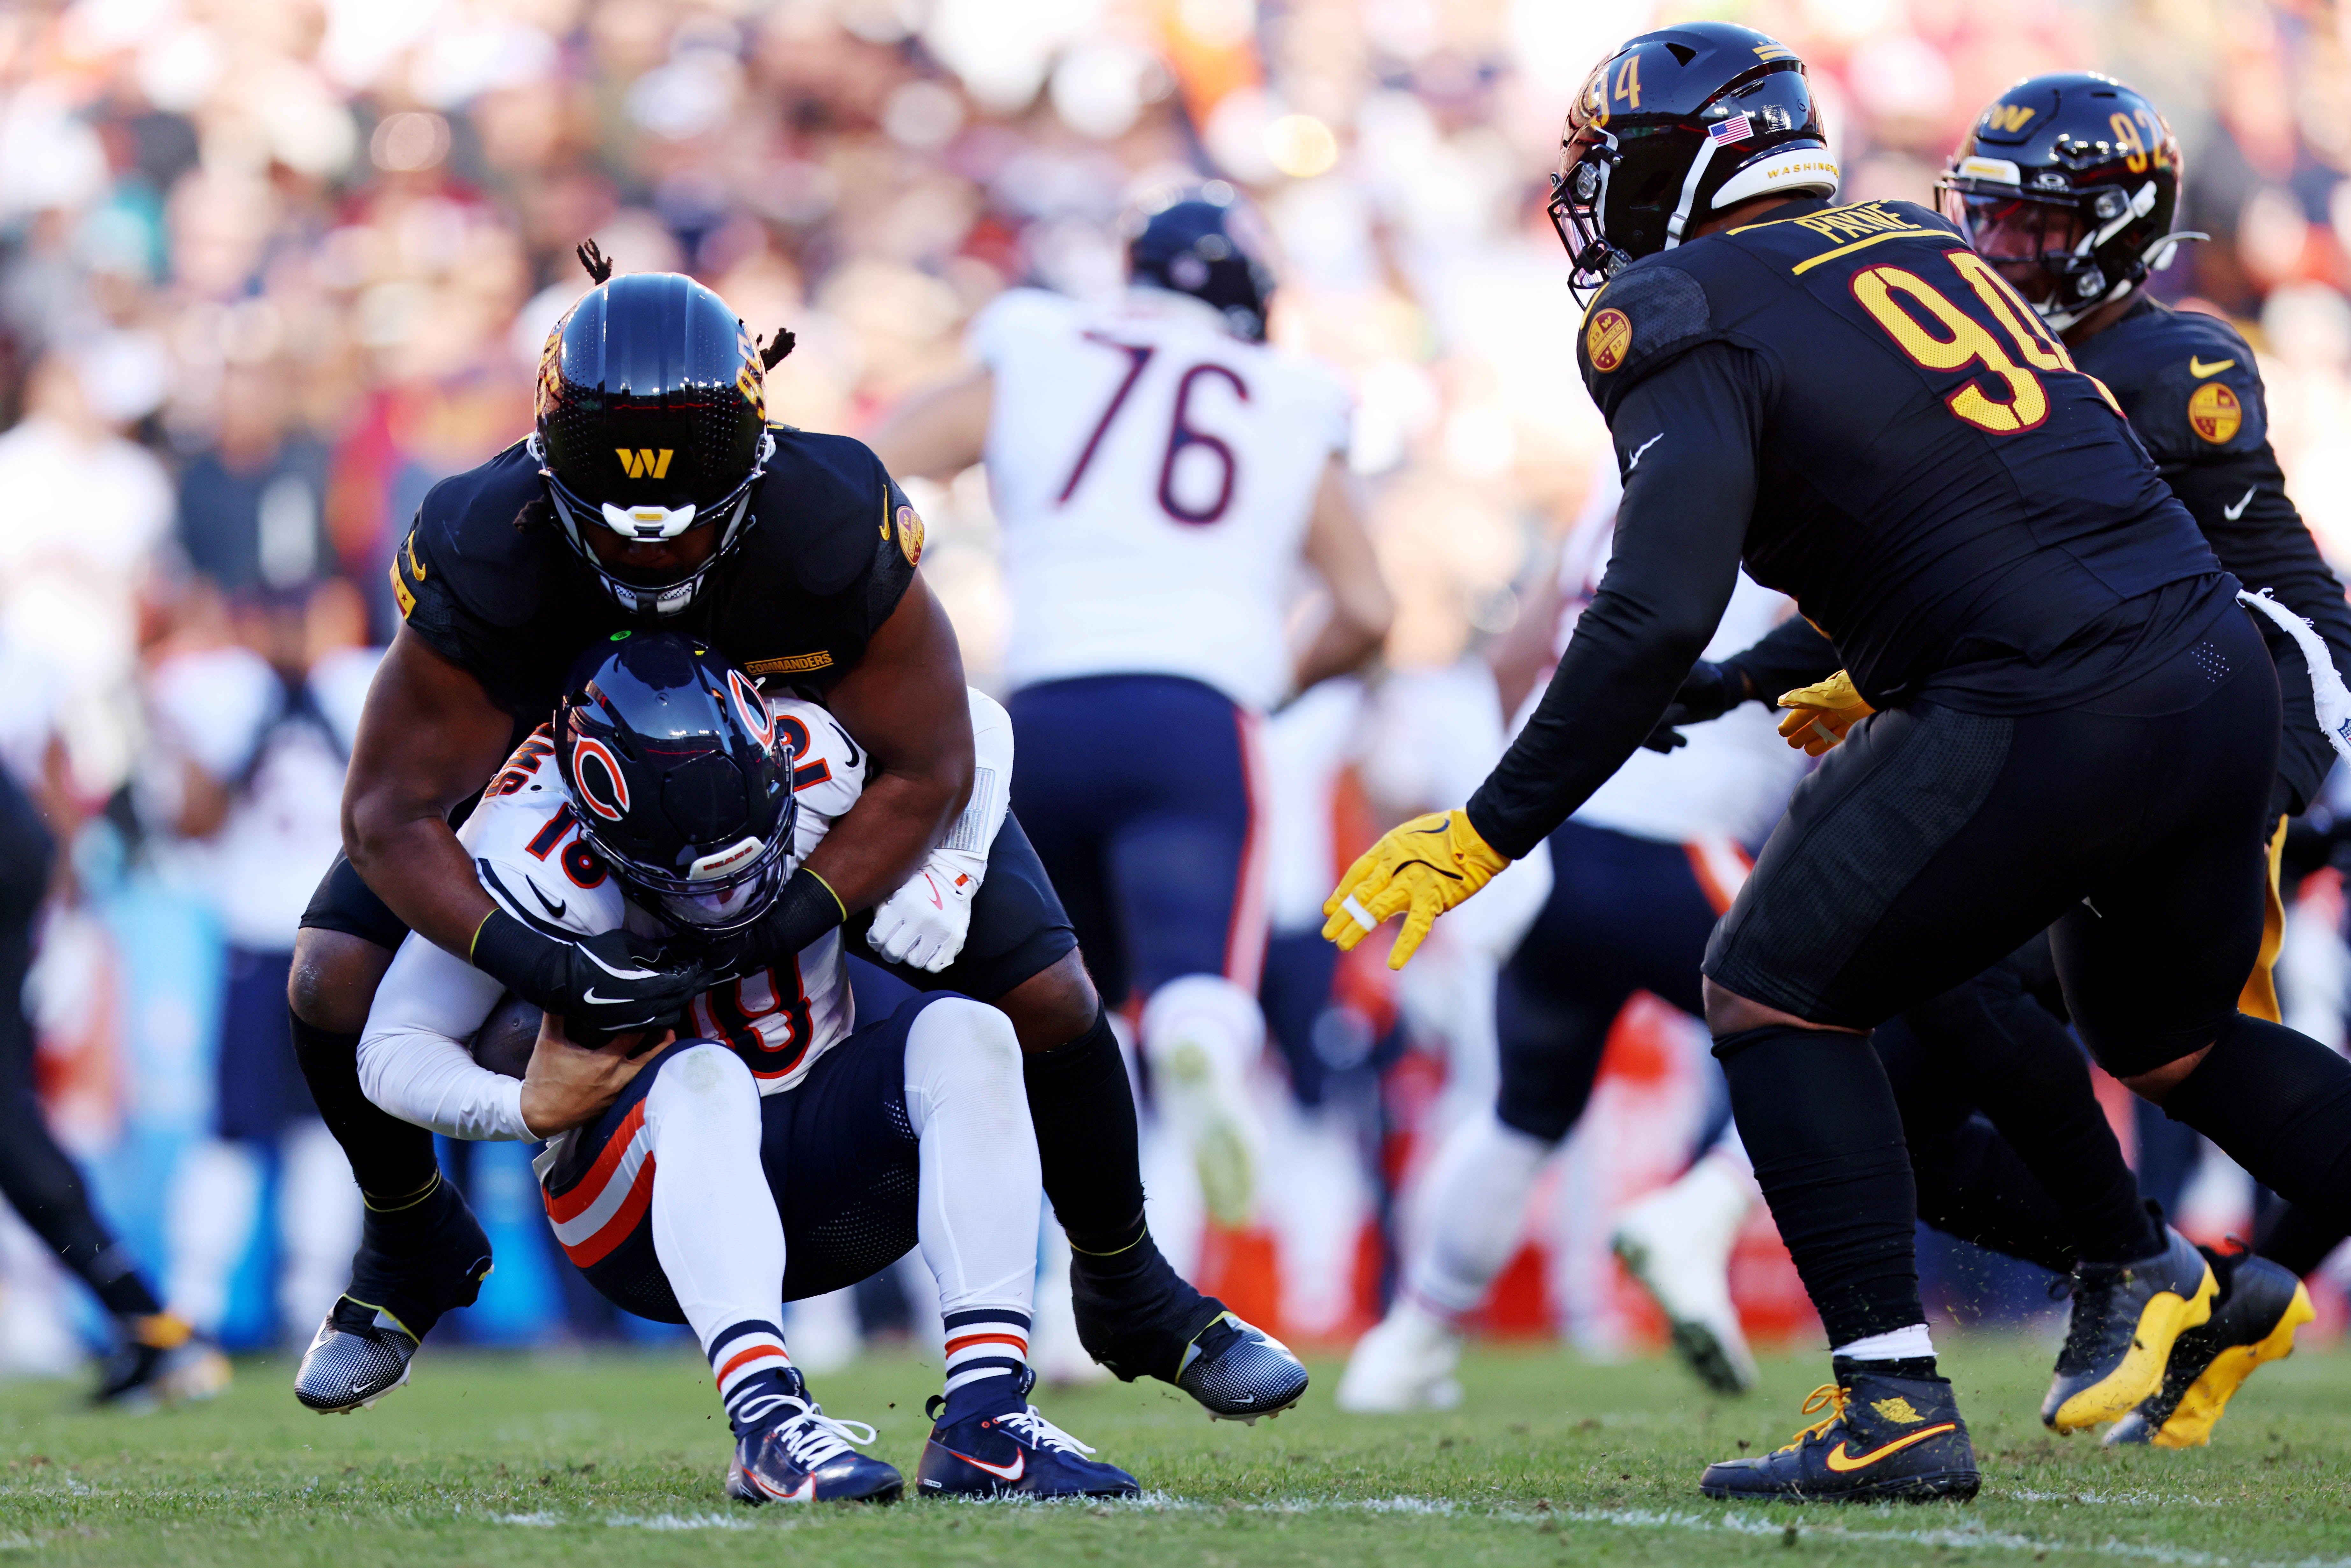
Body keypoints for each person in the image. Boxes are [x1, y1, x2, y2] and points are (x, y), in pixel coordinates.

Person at [1327, 22, 2351, 1502]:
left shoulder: (1672, 303)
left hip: (2044, 699)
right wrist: (1810, 668)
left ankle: (1898, 1398)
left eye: (1619, 171)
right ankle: (2132, 1262)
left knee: (1768, 987)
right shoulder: (1914, 249)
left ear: (1697, 165)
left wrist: (1487, 827)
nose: (1598, 205)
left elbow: (1647, 606)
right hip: (2207, 683)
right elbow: (2002, 508)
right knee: (2169, 1040)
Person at [288, 251, 1303, 1421]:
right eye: (615, 516)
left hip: (793, 785)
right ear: (552, 465)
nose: (652, 543)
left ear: (753, 461)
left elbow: (934, 758)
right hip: (553, 773)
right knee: (330, 978)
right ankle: (409, 1232)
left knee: (1053, 997)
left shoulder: (826, 520)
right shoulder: (487, 540)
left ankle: (1124, 1281)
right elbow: (383, 815)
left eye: (687, 504)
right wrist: (547, 968)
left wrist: (796, 913)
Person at [1613, 70, 2340, 1452]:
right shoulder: (1988, 343)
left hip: (2236, 703)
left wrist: (1793, 670)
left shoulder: (2166, 364)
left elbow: (2064, 576)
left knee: (1975, 977)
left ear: (2123, 231)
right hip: (2110, 698)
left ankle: (2148, 1272)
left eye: (2041, 230)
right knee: (1914, 1109)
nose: (2006, 255)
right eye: (1991, 222)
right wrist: (1733, 679)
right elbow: (1950, 575)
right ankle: (2168, 1271)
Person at [357, 632, 1137, 1502]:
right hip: (638, 1209)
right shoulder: (525, 842)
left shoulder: (812, 740)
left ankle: (987, 1420)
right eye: (690, 880)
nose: (728, 900)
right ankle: (767, 1422)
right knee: (705, 1076)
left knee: (969, 1031)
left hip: (830, 1151)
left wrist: (952, 867)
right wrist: (525, 1106)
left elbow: (976, 723)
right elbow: (391, 1047)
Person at [869, 187, 1391, 1247]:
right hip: (1199, 710)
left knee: (1060, 1022)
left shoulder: (1039, 341)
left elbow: (869, 470)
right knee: (1197, 983)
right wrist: (1269, 682)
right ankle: (1202, 1036)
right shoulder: (1288, 391)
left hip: (1043, 709)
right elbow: (1370, 608)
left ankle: (1065, 1302)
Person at [1337, 466, 1807, 1412]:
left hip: (1556, 844)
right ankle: (1700, 1212)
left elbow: (1515, 658)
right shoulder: (1783, 471)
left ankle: (1410, 1342)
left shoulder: (1617, 480)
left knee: (1525, 1112)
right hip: (1681, 837)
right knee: (1835, 1033)